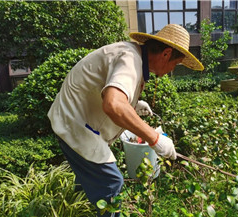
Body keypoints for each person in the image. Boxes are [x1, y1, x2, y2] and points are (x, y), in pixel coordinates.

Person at [48, 24, 203, 217]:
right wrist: (155, 138)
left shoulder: (132, 54)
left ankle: (80, 210)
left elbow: (108, 92)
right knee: (111, 183)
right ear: (166, 53)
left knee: (91, 180)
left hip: (75, 117)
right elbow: (113, 105)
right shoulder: (130, 60)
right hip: (75, 124)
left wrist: (133, 104)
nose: (173, 69)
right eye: (176, 63)